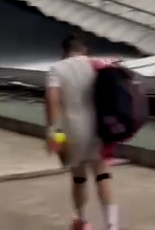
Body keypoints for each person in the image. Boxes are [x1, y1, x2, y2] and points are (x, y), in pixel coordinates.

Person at [45, 34, 120, 230]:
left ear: (64, 51)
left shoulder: (57, 69)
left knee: (79, 178)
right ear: (85, 49)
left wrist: (55, 134)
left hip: (72, 131)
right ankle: (112, 225)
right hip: (99, 129)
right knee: (102, 176)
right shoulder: (97, 66)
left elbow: (52, 100)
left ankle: (82, 220)